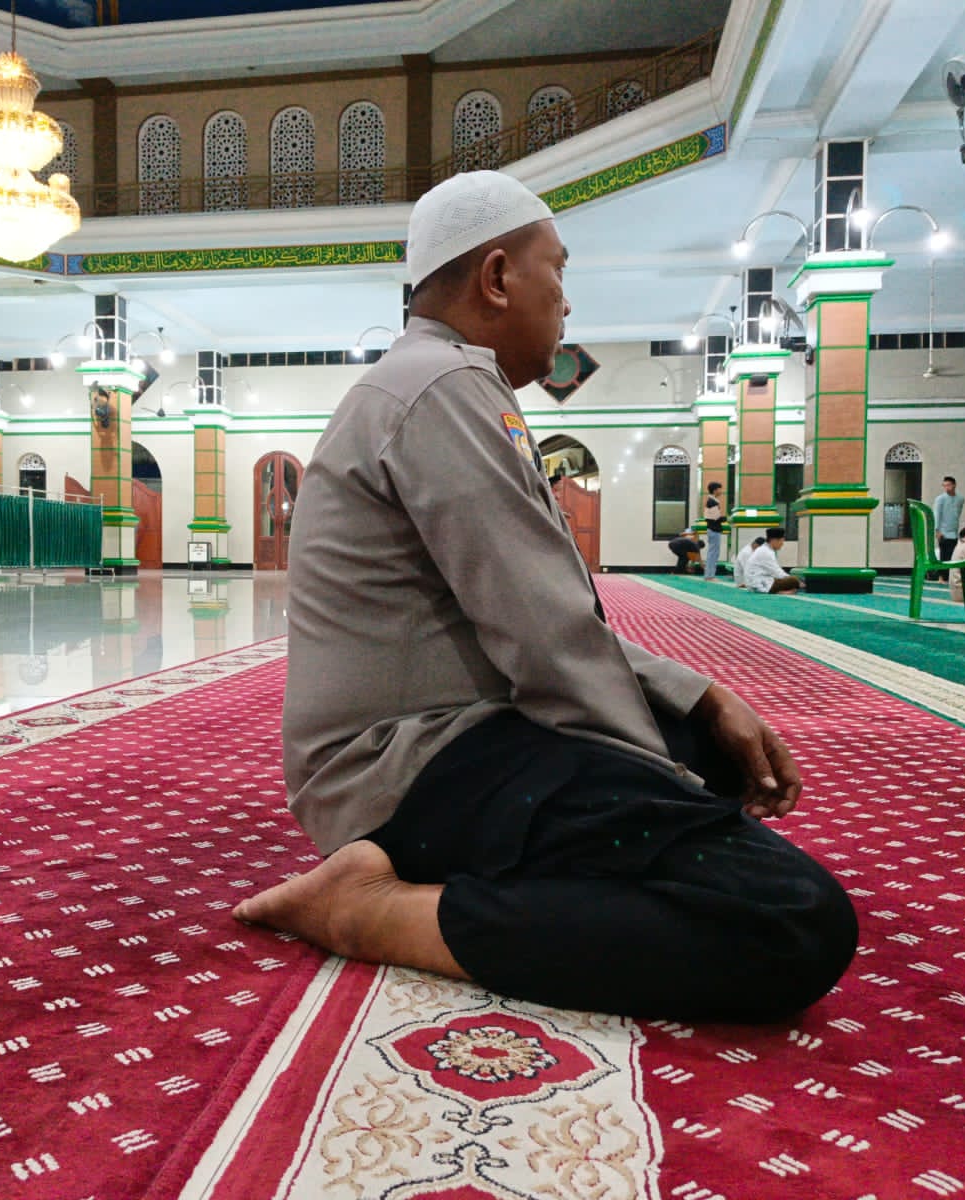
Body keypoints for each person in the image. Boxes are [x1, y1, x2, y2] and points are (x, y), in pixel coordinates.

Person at [234, 170, 857, 1022]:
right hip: (396, 769)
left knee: (711, 751)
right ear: (497, 277)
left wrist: (700, 698)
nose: (567, 301)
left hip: (451, 735)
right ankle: (370, 911)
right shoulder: (441, 388)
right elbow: (546, 638)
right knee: (793, 920)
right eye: (557, 271)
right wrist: (660, 780)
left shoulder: (443, 381)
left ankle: (550, 871)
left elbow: (548, 613)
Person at [745, 527, 801, 594]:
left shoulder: (764, 549)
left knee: (791, 580)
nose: (782, 544)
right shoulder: (766, 552)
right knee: (794, 580)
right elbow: (777, 573)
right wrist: (798, 582)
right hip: (760, 584)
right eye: (781, 541)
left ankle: (783, 590)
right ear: (774, 540)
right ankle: (780, 592)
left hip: (755, 582)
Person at [931, 477, 964, 581]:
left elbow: (958, 513)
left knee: (953, 555)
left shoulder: (960, 499)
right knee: (944, 554)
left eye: (948, 485)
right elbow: (937, 514)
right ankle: (941, 576)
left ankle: (950, 577)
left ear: (954, 485)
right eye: (944, 485)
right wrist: (937, 530)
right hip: (943, 532)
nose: (946, 488)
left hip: (954, 531)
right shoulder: (940, 499)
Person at [703, 481, 727, 579]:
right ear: (715, 490)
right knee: (713, 554)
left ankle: (709, 575)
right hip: (714, 530)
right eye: (719, 489)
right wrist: (727, 519)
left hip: (713, 530)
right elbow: (715, 518)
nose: (721, 491)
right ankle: (709, 575)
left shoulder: (712, 501)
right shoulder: (712, 502)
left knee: (713, 553)